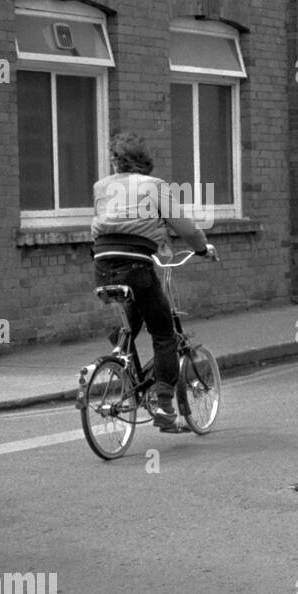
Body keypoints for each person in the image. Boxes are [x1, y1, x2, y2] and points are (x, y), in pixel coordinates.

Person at [91, 132, 215, 430]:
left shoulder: (101, 186)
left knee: (126, 329)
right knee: (163, 333)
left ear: (116, 161)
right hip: (136, 266)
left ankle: (126, 372)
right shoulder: (155, 186)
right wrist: (202, 248)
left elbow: (109, 223)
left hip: (103, 264)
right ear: (144, 162)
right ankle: (164, 407)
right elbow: (185, 227)